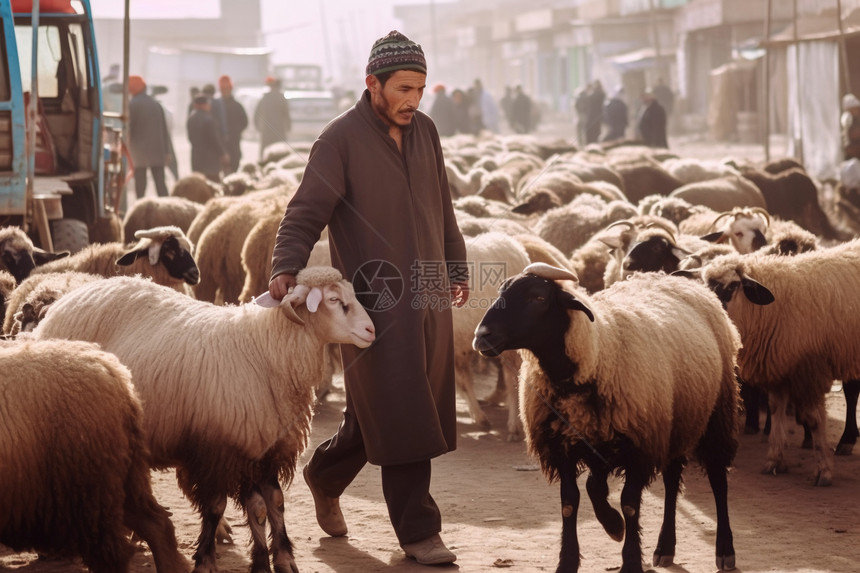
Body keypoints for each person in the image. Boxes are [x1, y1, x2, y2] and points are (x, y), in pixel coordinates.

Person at [268, 30, 469, 566]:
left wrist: (456, 263)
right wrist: (286, 266)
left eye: (421, 89)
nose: (413, 100)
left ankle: (323, 474)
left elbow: (442, 207)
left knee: (383, 409)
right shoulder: (339, 140)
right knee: (401, 408)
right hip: (373, 303)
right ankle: (419, 531)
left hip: (426, 292)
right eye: (404, 88)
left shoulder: (425, 132)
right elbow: (305, 210)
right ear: (372, 84)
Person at [127, 74, 173, 199]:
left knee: (140, 185)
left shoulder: (133, 104)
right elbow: (164, 130)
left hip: (139, 154)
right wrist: (167, 152)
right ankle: (167, 208)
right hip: (157, 151)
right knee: (160, 184)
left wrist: (126, 149)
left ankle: (140, 207)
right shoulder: (156, 104)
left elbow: (129, 128)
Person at [186, 94, 229, 182]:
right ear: (204, 105)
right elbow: (214, 139)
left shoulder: (191, 119)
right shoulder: (209, 120)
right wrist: (222, 154)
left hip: (196, 158)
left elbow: (190, 138)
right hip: (210, 161)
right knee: (213, 186)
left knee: (199, 185)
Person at [215, 75, 249, 173]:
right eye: (223, 89)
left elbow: (244, 122)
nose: (225, 91)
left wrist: (235, 131)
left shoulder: (237, 106)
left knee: (234, 168)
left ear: (230, 89)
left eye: (226, 89)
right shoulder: (215, 106)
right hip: (219, 146)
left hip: (234, 145)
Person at [254, 77, 292, 159]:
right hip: (279, 131)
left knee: (265, 154)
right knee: (279, 153)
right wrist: (288, 127)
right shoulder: (281, 98)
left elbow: (257, 114)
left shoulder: (265, 98)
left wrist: (258, 127)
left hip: (267, 131)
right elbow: (286, 115)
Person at [585, 80, 606, 144]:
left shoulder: (592, 95)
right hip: (597, 117)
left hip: (591, 117)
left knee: (591, 134)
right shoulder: (602, 94)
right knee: (596, 134)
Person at [841, 93, 860, 161]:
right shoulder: (847, 117)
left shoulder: (855, 118)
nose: (857, 110)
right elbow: (851, 134)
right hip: (851, 148)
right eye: (855, 108)